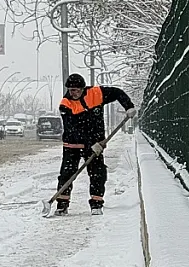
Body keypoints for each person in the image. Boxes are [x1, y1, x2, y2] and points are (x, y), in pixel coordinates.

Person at [54, 73, 136, 215]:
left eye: (76, 90)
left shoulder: (96, 93)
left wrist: (128, 106)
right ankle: (62, 205)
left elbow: (117, 92)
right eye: (70, 90)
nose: (73, 93)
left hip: (95, 144)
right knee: (67, 174)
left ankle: (96, 203)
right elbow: (73, 129)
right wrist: (91, 143)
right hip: (72, 145)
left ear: (83, 88)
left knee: (98, 173)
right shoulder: (65, 104)